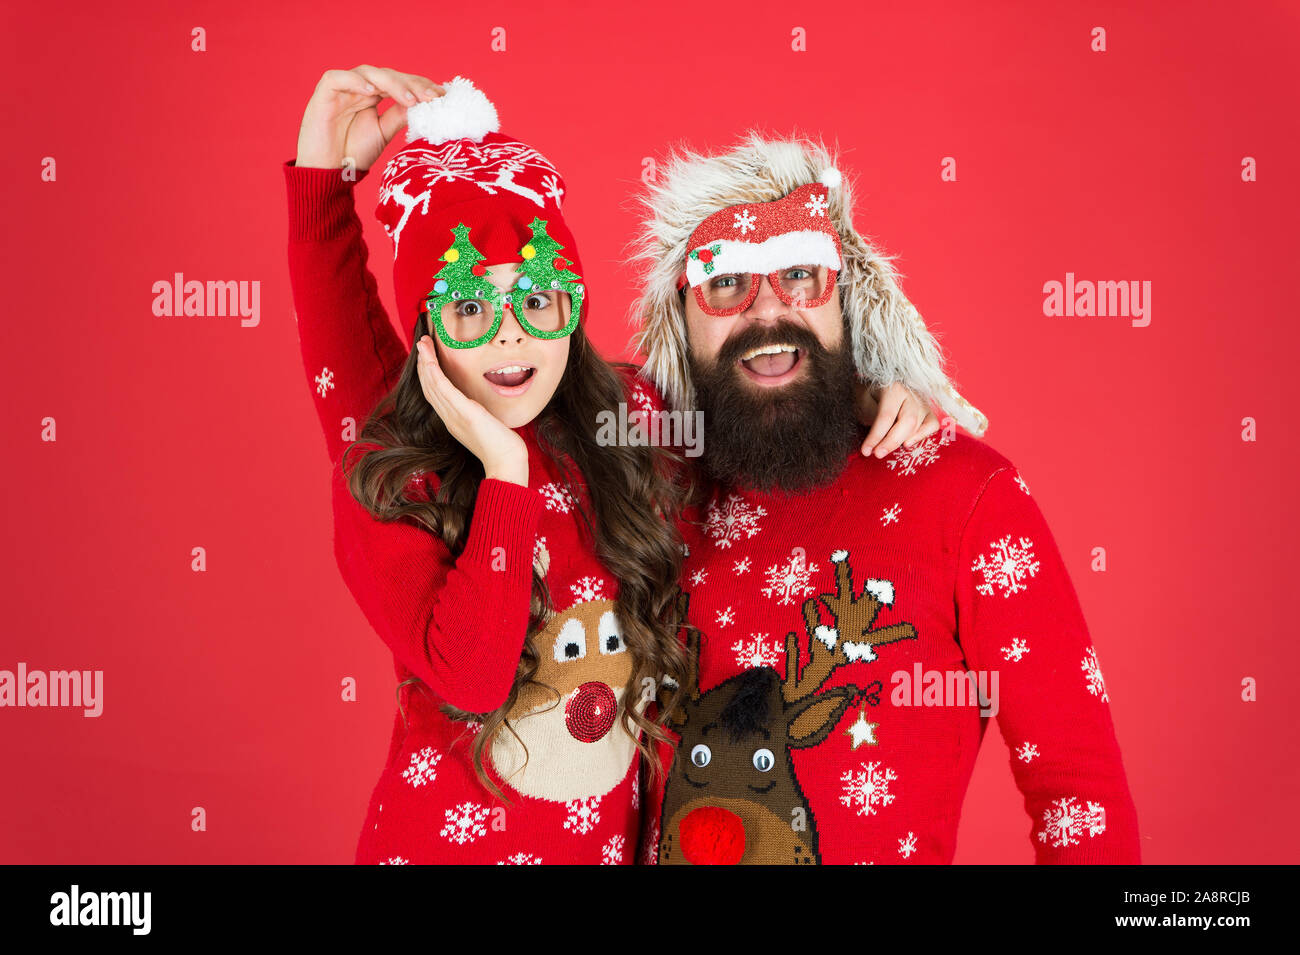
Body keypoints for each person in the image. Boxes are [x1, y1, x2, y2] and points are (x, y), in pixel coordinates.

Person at [284, 69, 935, 864]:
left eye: (538, 299)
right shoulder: (396, 479)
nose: (509, 337)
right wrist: (502, 472)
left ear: (574, 306)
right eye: (468, 308)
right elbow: (476, 678)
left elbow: (760, 411)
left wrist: (864, 392)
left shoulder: (628, 422)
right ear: (427, 330)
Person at [630, 134, 1142, 864]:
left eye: (802, 274)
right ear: (681, 316)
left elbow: (1076, 786)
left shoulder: (964, 495)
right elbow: (489, 384)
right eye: (727, 283)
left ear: (850, 299)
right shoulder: (643, 495)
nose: (769, 312)